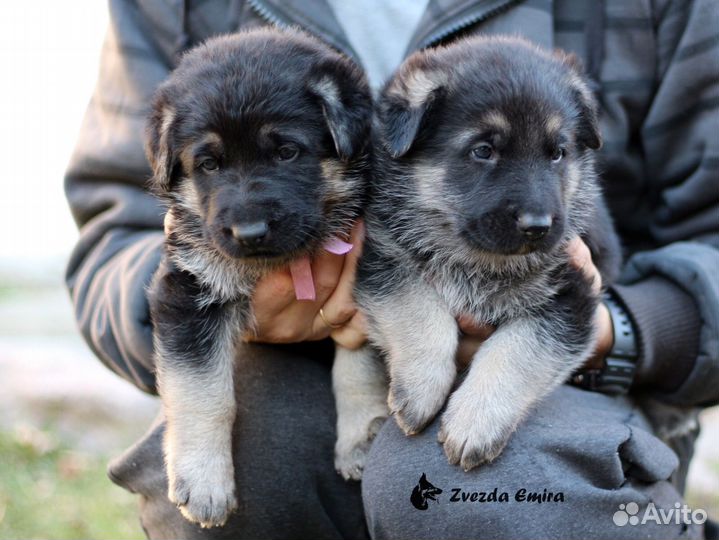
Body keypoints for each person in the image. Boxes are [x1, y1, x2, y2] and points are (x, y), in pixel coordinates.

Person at [64, 0, 719, 538]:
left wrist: (622, 331)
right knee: (256, 463)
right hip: (289, 372)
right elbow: (117, 223)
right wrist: (213, 299)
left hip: (584, 388)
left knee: (475, 484)